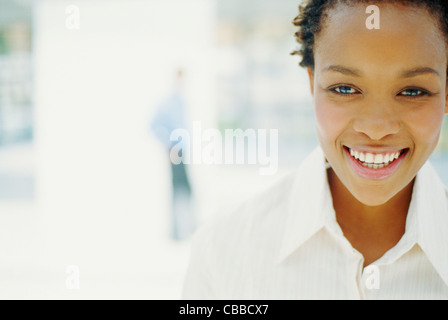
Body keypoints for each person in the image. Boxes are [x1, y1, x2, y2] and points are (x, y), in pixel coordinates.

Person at [182, 0, 448, 299]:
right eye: (344, 89)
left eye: (413, 91)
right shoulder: (224, 252)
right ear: (312, 84)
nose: (376, 127)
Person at [150, 70, 196, 241]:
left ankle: (183, 230)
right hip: (175, 151)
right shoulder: (169, 102)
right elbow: (153, 125)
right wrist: (169, 145)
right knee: (180, 190)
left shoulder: (181, 102)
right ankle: (177, 232)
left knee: (184, 189)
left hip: (182, 151)